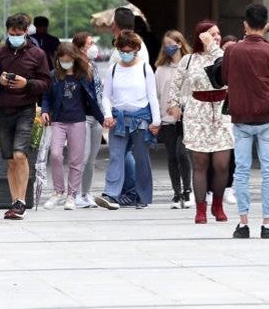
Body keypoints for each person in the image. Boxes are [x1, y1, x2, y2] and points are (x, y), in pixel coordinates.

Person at [0, 12, 50, 220]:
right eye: (11, 33)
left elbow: (46, 82)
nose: (14, 36)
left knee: (20, 154)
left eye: (18, 33)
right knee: (10, 160)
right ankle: (15, 201)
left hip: (25, 109)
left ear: (26, 32)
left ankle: (22, 201)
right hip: (2, 109)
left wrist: (27, 83)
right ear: (7, 32)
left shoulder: (38, 54)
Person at [225, 3, 269, 239]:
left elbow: (224, 77)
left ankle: (242, 223)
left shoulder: (232, 50)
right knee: (268, 170)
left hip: (241, 116)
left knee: (241, 170)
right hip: (267, 116)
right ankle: (268, 223)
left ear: (245, 25)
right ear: (267, 25)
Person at [168, 20, 235, 223]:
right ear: (200, 36)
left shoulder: (224, 56)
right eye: (211, 34)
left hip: (221, 112)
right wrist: (175, 103)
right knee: (200, 164)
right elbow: (176, 84)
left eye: (218, 34)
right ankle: (200, 208)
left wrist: (213, 46)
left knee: (222, 164)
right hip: (197, 113)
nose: (216, 37)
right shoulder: (189, 59)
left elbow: (226, 71)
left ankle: (217, 204)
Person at [96, 30, 161, 209]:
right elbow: (106, 96)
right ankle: (111, 194)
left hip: (141, 119)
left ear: (136, 49)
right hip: (118, 119)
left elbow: (152, 95)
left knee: (141, 158)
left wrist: (156, 121)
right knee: (116, 156)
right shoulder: (113, 69)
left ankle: (143, 196)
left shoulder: (144, 68)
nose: (125, 53)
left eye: (128, 50)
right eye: (121, 50)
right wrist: (107, 115)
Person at [40, 42, 102, 210]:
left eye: (69, 60)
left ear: (74, 59)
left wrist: (102, 118)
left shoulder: (83, 76)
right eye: (62, 60)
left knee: (76, 160)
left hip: (78, 121)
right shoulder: (53, 76)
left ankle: (71, 195)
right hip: (58, 121)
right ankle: (58, 191)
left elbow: (93, 98)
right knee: (55, 155)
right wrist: (45, 111)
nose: (66, 62)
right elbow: (46, 97)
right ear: (58, 60)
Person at [155, 30, 193, 208]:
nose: (168, 47)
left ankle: (188, 191)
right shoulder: (160, 69)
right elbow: (156, 94)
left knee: (182, 153)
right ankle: (177, 193)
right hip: (167, 119)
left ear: (179, 43)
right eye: (165, 44)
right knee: (171, 156)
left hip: (186, 117)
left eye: (171, 43)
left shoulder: (190, 65)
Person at [70, 31, 104, 208]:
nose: (93, 46)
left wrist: (103, 114)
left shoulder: (94, 66)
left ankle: (86, 193)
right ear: (81, 47)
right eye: (90, 43)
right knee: (81, 158)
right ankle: (74, 194)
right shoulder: (75, 69)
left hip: (96, 117)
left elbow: (99, 93)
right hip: (82, 117)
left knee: (91, 158)